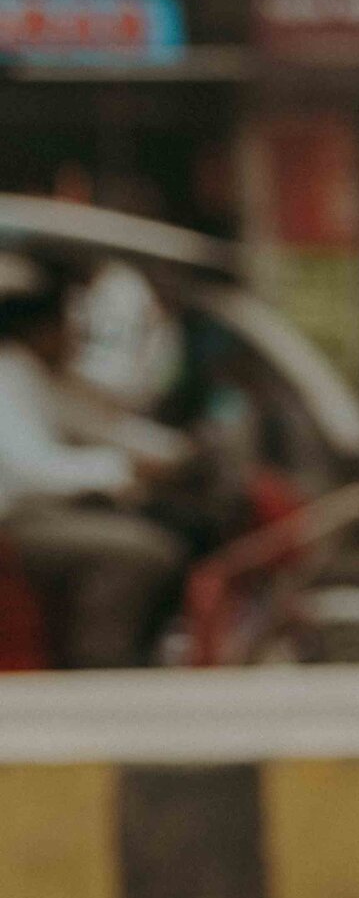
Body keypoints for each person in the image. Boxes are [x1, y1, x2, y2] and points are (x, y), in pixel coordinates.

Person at [0, 269, 188, 668]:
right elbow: (28, 471)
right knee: (141, 552)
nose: (75, 339)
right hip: (16, 519)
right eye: (69, 327)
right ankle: (99, 663)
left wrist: (171, 452)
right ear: (42, 330)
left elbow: (98, 423)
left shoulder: (37, 375)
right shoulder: (7, 373)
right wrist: (119, 470)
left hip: (41, 512)